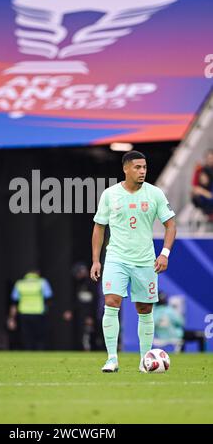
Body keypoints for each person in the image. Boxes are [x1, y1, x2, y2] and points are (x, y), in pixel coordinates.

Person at [90, 150, 176, 373]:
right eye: (138, 167)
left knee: (144, 308)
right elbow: (99, 227)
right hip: (116, 258)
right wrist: (96, 260)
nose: (142, 171)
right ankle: (111, 358)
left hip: (145, 260)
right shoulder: (110, 194)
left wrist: (164, 253)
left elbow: (171, 224)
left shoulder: (155, 194)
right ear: (125, 169)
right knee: (111, 301)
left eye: (145, 167)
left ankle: (144, 360)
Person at [7, 269, 53, 350]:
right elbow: (48, 297)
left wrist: (11, 318)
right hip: (38, 313)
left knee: (26, 336)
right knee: (40, 336)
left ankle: (28, 353)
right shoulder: (42, 282)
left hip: (24, 313)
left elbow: (14, 302)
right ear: (37, 274)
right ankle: (40, 354)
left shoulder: (19, 283)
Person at [63, 262, 97, 351]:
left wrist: (90, 316)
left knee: (89, 333)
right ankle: (84, 349)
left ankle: (91, 350)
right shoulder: (78, 284)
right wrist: (70, 310)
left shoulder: (92, 283)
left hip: (89, 314)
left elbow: (94, 302)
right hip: (81, 313)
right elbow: (77, 301)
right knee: (82, 333)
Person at [191, 149, 213, 216]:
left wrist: (202, 191)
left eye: (212, 158)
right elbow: (194, 187)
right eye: (209, 158)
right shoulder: (200, 170)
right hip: (205, 207)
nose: (210, 160)